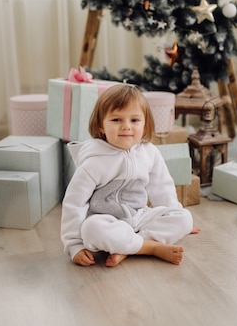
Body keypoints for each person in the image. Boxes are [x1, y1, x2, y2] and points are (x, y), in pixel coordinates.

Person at [61, 84, 200, 267]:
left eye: (134, 120)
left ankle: (130, 247)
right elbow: (74, 203)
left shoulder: (149, 152)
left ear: (145, 124)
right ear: (101, 125)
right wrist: (74, 245)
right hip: (108, 221)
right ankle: (151, 247)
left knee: (185, 217)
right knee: (91, 229)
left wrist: (176, 218)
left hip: (139, 217)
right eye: (117, 120)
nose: (126, 127)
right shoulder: (93, 162)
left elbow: (162, 187)